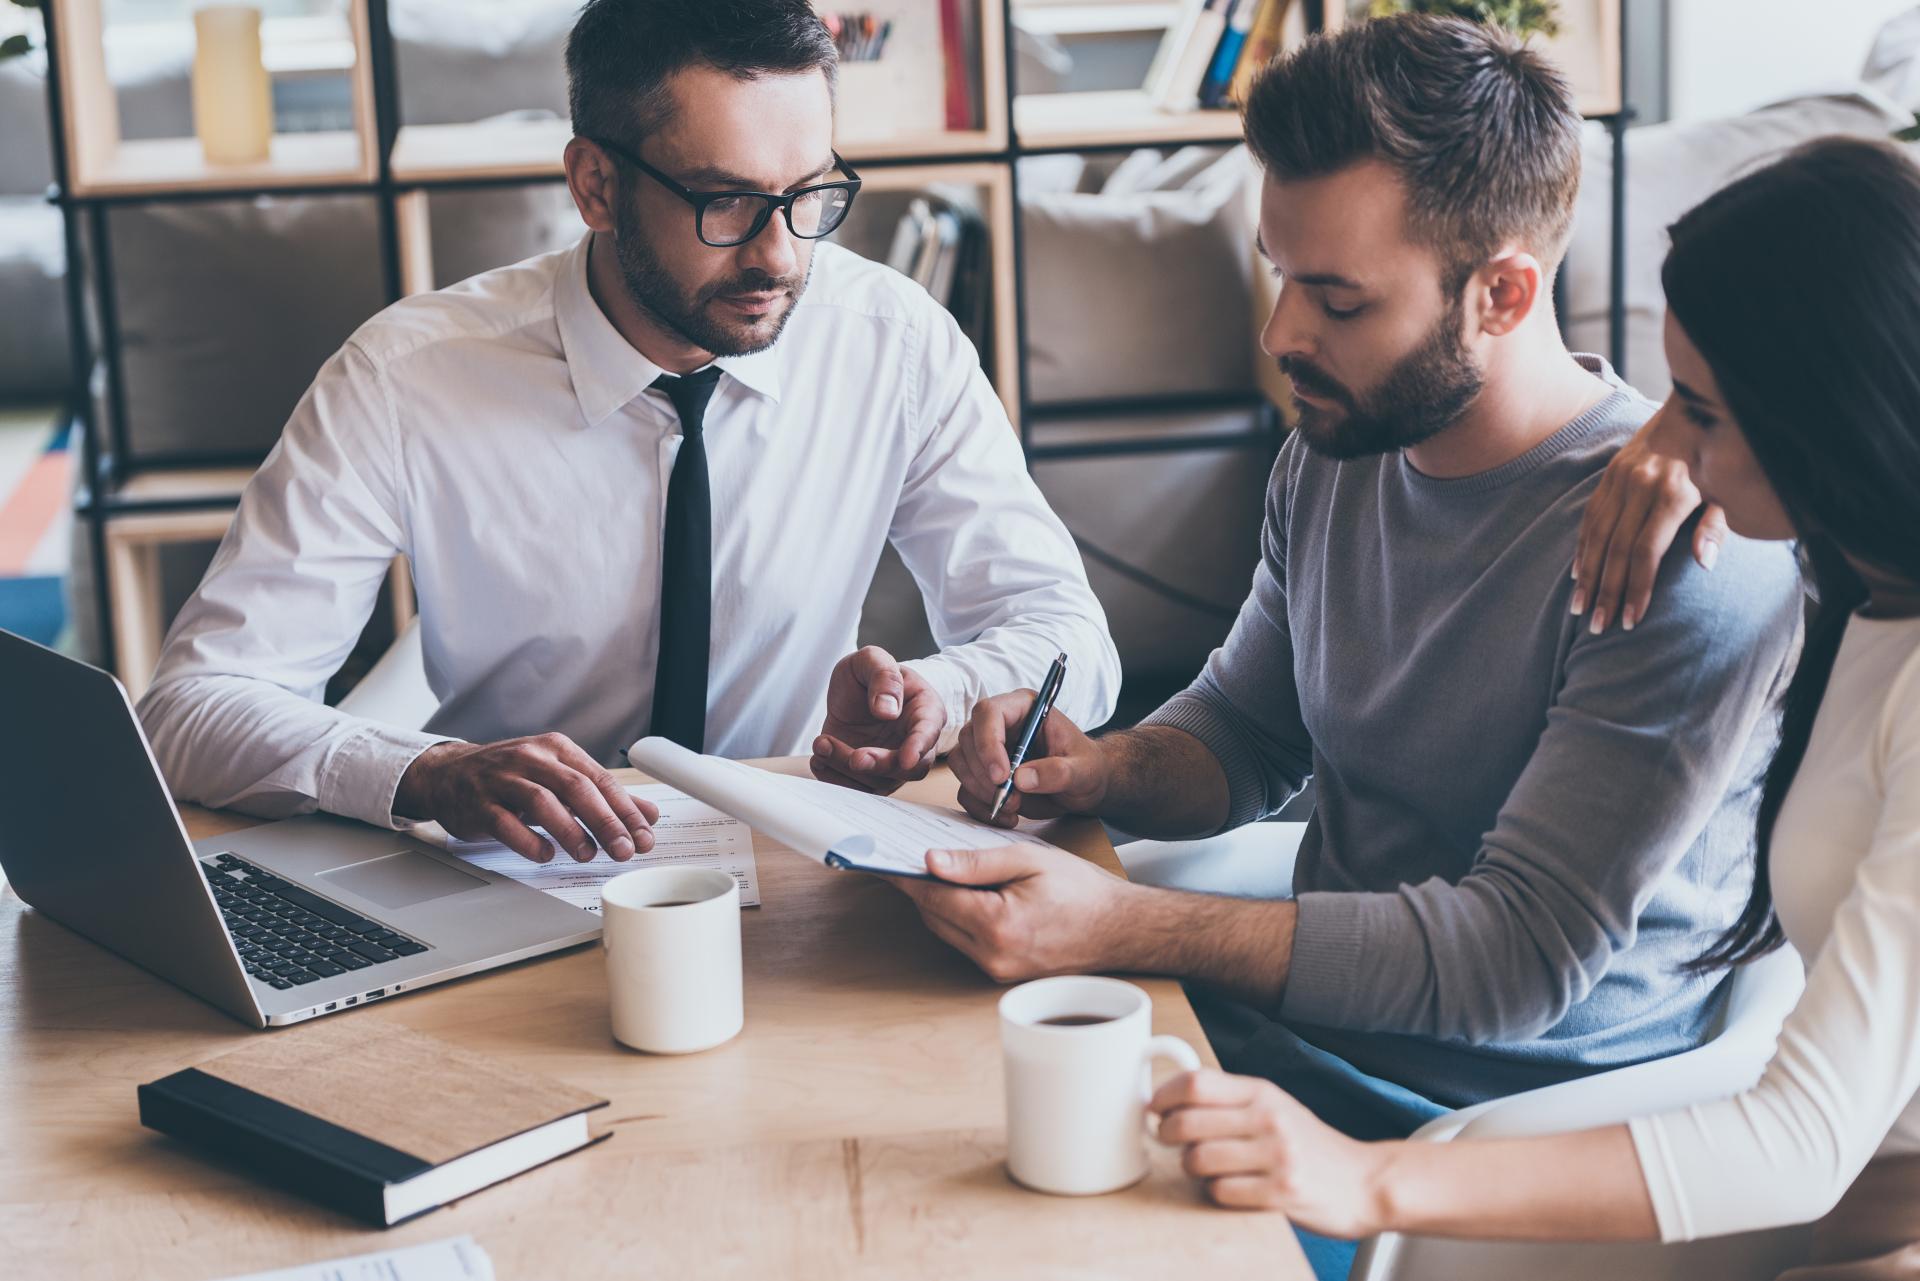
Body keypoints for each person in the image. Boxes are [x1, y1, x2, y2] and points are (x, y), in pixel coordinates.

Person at [893, 10, 1802, 1174]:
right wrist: (1100, 766)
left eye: (1339, 300)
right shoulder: (1336, 449)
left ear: (1504, 297)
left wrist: (1125, 925)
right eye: (1281, 275)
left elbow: (1515, 962)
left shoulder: (1679, 550)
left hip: (1488, 1127)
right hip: (1293, 1044)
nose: (1282, 333)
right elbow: (1250, 729)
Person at [1148, 134, 1920, 1281]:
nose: (1664, 448)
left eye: (1699, 411)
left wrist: (1367, 1179)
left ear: (1830, 418)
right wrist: (1678, 430)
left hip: (1818, 1192)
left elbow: (1803, 1143)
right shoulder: (1865, 577)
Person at [136, 0, 1119, 864]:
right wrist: (427, 774)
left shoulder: (894, 344)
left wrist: (938, 695)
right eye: (725, 200)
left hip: (798, 855)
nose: (779, 255)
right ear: (596, 185)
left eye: (811, 193)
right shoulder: (405, 378)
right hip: (509, 874)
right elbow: (191, 708)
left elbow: (1073, 638)